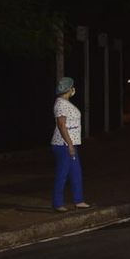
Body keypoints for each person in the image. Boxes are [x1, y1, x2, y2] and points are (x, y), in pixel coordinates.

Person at [50, 77, 91, 212]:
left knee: (76, 173)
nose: (74, 89)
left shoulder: (66, 103)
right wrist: (70, 145)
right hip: (63, 145)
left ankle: (79, 200)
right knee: (62, 174)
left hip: (70, 143)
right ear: (69, 89)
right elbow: (61, 125)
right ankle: (57, 203)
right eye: (72, 87)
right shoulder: (61, 104)